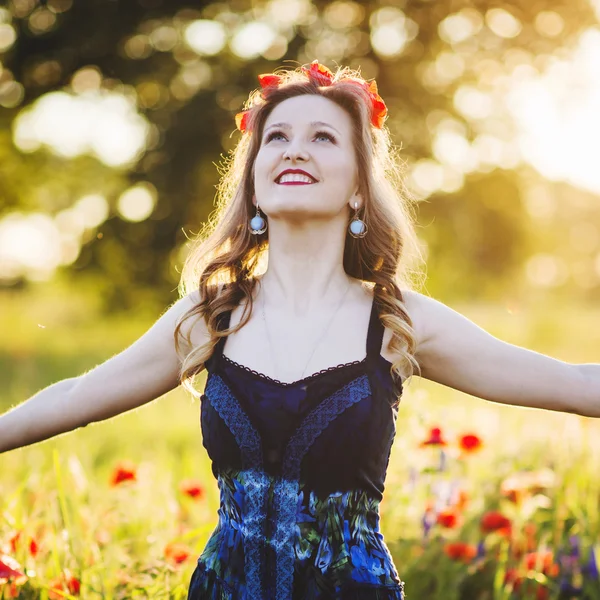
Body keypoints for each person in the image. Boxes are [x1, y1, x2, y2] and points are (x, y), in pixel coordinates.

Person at [0, 60, 598, 600]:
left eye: (323, 137)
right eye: (277, 138)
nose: (294, 150)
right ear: (255, 177)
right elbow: (79, 397)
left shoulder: (398, 320)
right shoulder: (210, 316)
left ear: (360, 185)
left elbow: (573, 383)